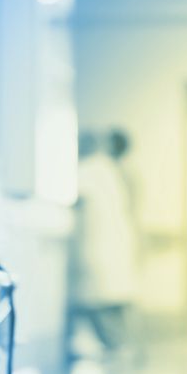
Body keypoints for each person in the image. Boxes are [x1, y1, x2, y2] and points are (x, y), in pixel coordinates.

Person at [69, 128, 138, 360]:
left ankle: (118, 348)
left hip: (100, 247)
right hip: (113, 246)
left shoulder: (91, 170)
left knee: (101, 300)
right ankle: (121, 348)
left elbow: (70, 196)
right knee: (110, 300)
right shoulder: (110, 171)